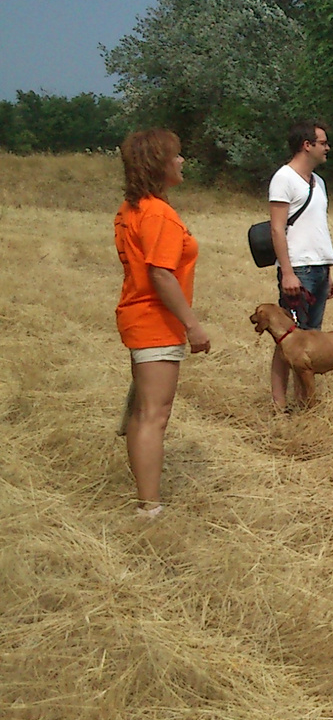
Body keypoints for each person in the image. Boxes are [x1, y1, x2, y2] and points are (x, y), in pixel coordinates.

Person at [113, 129, 210, 519]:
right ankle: (149, 507)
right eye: (176, 155)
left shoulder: (132, 208)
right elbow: (162, 274)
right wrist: (192, 325)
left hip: (139, 318)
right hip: (155, 323)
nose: (182, 161)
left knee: (142, 412)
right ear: (158, 164)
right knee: (155, 415)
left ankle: (146, 499)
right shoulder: (158, 214)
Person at [268, 119, 333, 410]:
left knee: (311, 340)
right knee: (288, 340)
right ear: (306, 145)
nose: (327, 148)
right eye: (322, 143)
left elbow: (317, 227)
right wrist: (287, 272)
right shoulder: (284, 178)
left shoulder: (318, 182)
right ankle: (280, 405)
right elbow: (277, 228)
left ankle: (304, 402)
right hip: (298, 270)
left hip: (319, 268)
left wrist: (328, 272)